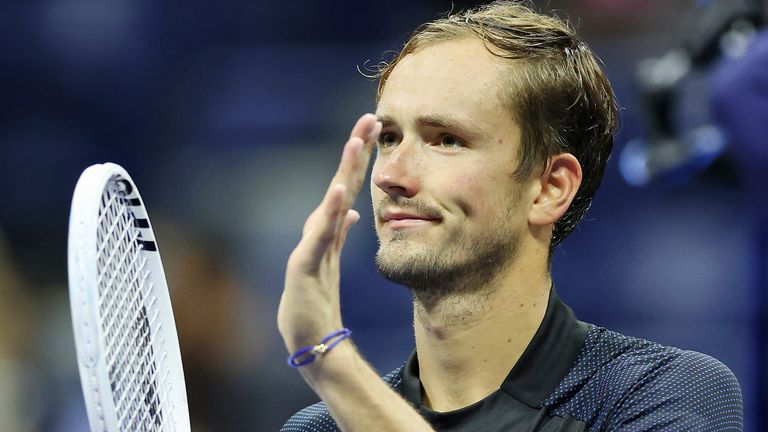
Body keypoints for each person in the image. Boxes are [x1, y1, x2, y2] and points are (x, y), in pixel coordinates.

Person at [277, 1, 744, 430]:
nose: (391, 176)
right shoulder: (321, 427)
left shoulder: (662, 394)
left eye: (446, 139)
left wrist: (331, 363)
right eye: (390, 138)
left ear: (549, 188)